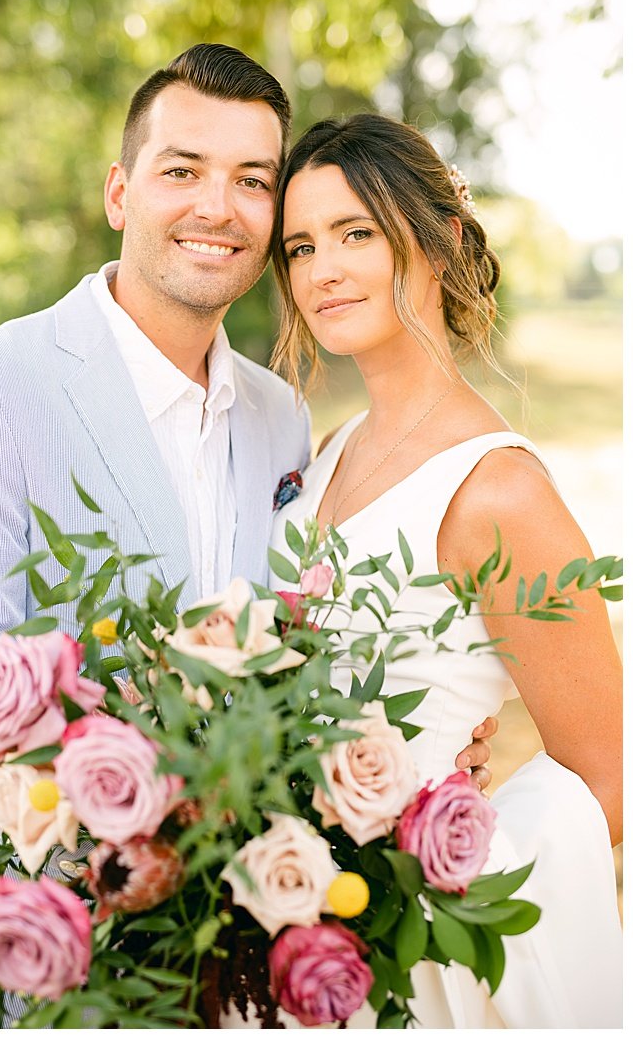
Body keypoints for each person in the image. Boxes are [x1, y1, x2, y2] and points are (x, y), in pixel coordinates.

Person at [0, 46, 495, 1026]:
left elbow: (296, 661)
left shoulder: (280, 418)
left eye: (252, 181)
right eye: (182, 171)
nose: (218, 206)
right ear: (121, 192)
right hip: (29, 960)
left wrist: (406, 763)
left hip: (233, 968)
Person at [265, 113, 621, 1027]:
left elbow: (602, 786)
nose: (323, 270)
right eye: (301, 246)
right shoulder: (332, 449)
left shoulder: (499, 491)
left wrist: (444, 831)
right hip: (291, 926)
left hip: (415, 951)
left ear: (440, 238)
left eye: (356, 233)